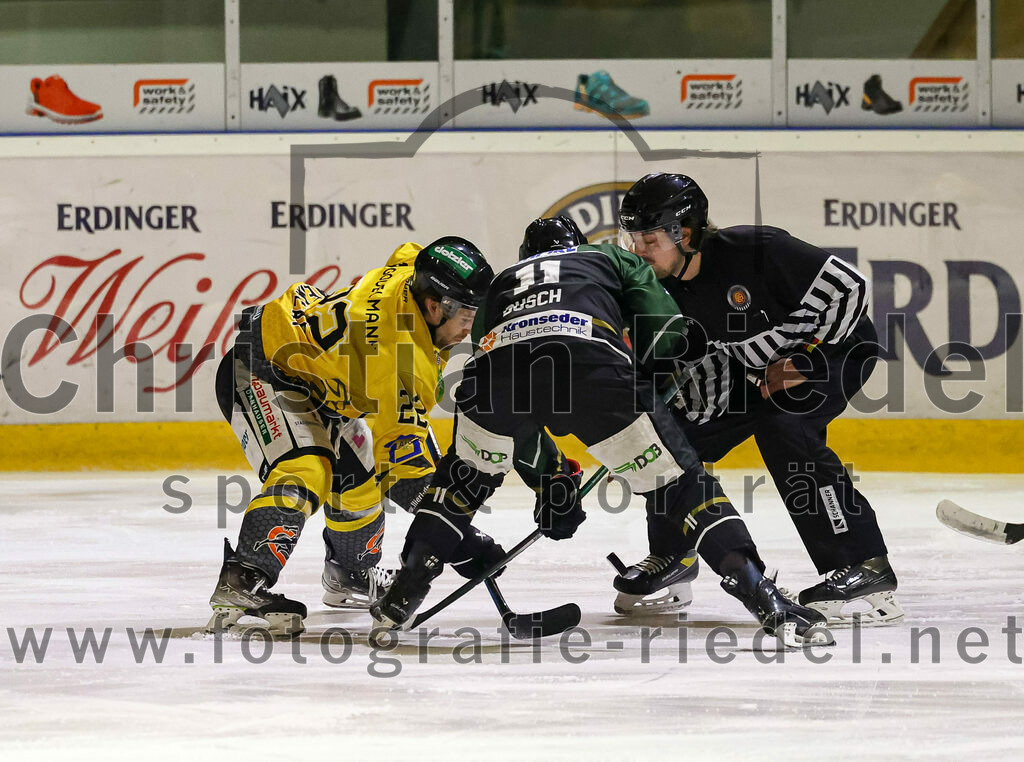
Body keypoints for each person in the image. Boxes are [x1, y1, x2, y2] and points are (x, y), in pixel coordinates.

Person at [370, 217, 834, 649]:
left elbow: (517, 405)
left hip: (489, 383)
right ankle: (762, 595)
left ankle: (402, 596)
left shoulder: (501, 286)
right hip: (589, 367)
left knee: (462, 483)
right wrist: (655, 378)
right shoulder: (607, 258)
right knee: (679, 485)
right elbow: (666, 331)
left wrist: (552, 480)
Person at [615, 172, 902, 626]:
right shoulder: (662, 289)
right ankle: (675, 554)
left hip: (834, 352)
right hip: (756, 368)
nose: (638, 251)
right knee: (674, 437)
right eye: (632, 239)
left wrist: (806, 361)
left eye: (648, 240)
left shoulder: (757, 249)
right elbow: (705, 357)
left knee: (784, 428)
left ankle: (864, 563)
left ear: (684, 233)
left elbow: (851, 289)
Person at [207, 236, 504, 635]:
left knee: (359, 486)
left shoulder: (412, 274)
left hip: (323, 383)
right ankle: (241, 580)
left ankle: (349, 572)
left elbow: (407, 250)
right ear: (435, 307)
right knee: (307, 469)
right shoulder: (400, 358)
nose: (470, 327)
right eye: (467, 316)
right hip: (263, 369)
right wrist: (456, 533)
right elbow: (406, 471)